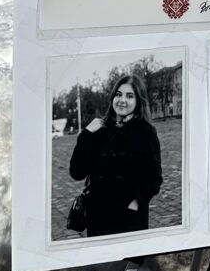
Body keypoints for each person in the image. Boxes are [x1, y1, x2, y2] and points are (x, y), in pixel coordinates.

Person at [69, 73, 162, 237]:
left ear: (138, 101)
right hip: (98, 219)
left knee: (128, 263)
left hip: (129, 220)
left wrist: (136, 202)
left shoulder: (146, 132)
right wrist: (86, 135)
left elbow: (154, 178)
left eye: (129, 96)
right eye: (118, 94)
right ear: (112, 98)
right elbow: (77, 172)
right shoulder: (99, 130)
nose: (122, 100)